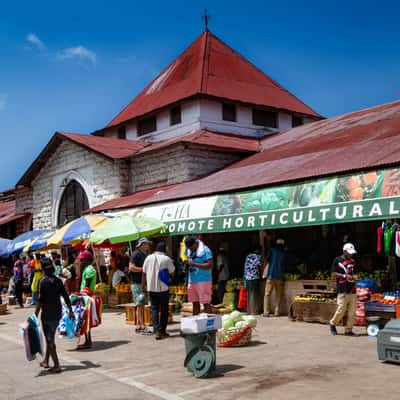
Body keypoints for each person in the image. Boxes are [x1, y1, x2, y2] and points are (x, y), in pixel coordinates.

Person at [35, 257, 74, 373]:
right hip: (57, 313)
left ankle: (56, 365)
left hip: (47, 314)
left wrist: (35, 315)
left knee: (49, 339)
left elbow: (40, 301)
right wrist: (70, 310)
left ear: (42, 269)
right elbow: (65, 295)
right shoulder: (58, 281)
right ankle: (46, 361)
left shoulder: (42, 282)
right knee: (50, 337)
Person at [143, 241, 175, 340]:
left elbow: (143, 273)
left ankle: (156, 331)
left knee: (154, 309)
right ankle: (162, 331)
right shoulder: (167, 259)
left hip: (151, 288)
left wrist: (143, 286)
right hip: (163, 288)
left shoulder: (148, 258)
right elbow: (172, 271)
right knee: (164, 310)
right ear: (164, 249)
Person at [329, 243, 358, 336]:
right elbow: (333, 273)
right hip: (342, 289)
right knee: (341, 309)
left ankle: (348, 330)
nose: (351, 254)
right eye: (349, 253)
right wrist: (344, 275)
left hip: (352, 289)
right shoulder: (337, 260)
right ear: (344, 251)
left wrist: (355, 277)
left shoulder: (353, 261)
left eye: (352, 253)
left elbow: (354, 273)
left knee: (352, 312)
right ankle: (332, 323)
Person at [185, 235, 213, 315]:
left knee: (206, 303)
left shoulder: (205, 250)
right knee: (194, 302)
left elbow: (210, 265)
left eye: (191, 247)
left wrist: (195, 264)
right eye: (188, 248)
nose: (190, 249)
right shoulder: (189, 250)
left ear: (195, 243)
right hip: (192, 280)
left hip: (203, 280)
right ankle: (196, 323)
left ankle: (209, 325)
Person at [129, 237, 152, 335]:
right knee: (140, 304)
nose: (148, 246)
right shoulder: (136, 254)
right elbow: (131, 267)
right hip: (136, 282)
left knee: (140, 304)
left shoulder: (143, 254)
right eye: (146, 244)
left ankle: (139, 325)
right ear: (142, 245)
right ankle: (142, 325)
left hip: (141, 282)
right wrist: (142, 269)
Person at [78, 250, 97, 349]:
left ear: (87, 260)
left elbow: (87, 286)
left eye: (82, 260)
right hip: (85, 296)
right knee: (85, 319)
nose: (81, 262)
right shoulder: (87, 269)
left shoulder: (89, 269)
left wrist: (82, 295)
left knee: (86, 319)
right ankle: (87, 340)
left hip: (87, 297)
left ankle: (88, 341)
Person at [263, 238, 286, 317]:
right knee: (278, 295)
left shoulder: (272, 250)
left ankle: (266, 312)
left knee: (267, 294)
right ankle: (277, 311)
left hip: (271, 275)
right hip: (280, 276)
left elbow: (267, 259)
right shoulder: (283, 253)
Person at [244, 247, 263, 315]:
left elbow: (245, 268)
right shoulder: (258, 257)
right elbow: (259, 267)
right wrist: (261, 276)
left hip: (248, 277)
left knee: (249, 294)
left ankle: (249, 310)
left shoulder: (248, 256)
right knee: (255, 294)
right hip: (255, 277)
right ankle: (254, 311)